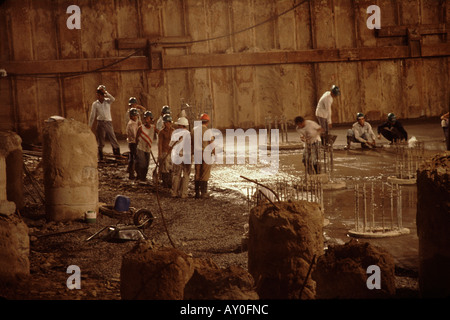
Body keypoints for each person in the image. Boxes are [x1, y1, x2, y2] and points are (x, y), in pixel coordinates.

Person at [88, 85, 121, 161]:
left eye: (99, 95)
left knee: (112, 137)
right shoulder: (95, 104)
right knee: (101, 140)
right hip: (100, 123)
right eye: (97, 95)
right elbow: (92, 115)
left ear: (102, 95)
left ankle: (117, 155)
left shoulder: (107, 101)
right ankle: (101, 156)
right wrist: (89, 126)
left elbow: (113, 99)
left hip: (108, 122)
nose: (98, 97)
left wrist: (105, 92)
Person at [193, 113, 214, 199]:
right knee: (205, 174)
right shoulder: (208, 131)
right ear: (207, 121)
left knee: (197, 173)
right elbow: (211, 144)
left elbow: (191, 142)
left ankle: (197, 193)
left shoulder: (194, 130)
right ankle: (204, 193)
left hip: (197, 154)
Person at [170, 117, 192, 198]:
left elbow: (170, 145)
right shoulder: (189, 134)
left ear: (180, 125)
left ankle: (174, 192)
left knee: (176, 174)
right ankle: (183, 194)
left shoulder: (175, 134)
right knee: (186, 175)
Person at [135, 111, 155, 182]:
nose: (146, 120)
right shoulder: (141, 128)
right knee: (142, 163)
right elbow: (136, 139)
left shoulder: (153, 128)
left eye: (148, 119)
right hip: (141, 148)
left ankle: (144, 177)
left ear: (151, 119)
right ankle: (140, 177)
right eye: (145, 119)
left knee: (147, 164)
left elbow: (160, 132)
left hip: (148, 149)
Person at [158, 113, 174, 188]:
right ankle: (165, 183)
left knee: (171, 168)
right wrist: (160, 154)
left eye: (168, 122)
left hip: (172, 153)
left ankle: (171, 183)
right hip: (165, 152)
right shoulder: (161, 132)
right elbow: (160, 144)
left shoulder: (173, 131)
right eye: (166, 123)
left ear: (170, 123)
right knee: (165, 168)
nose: (167, 124)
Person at [126, 108, 139, 180]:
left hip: (132, 142)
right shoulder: (131, 124)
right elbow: (135, 135)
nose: (135, 117)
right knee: (134, 158)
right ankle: (132, 173)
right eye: (133, 116)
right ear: (130, 116)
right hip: (133, 143)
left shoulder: (134, 123)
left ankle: (131, 171)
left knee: (132, 157)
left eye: (136, 115)